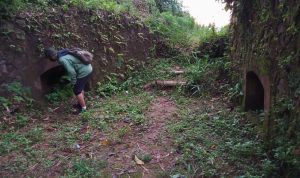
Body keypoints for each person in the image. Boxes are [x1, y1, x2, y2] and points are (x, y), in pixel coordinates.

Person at [44, 47, 93, 114]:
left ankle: (83, 108)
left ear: (51, 56)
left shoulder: (61, 59)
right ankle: (80, 104)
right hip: (87, 68)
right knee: (80, 87)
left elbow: (71, 71)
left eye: (49, 58)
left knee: (77, 90)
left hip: (84, 71)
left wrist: (73, 82)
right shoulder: (62, 53)